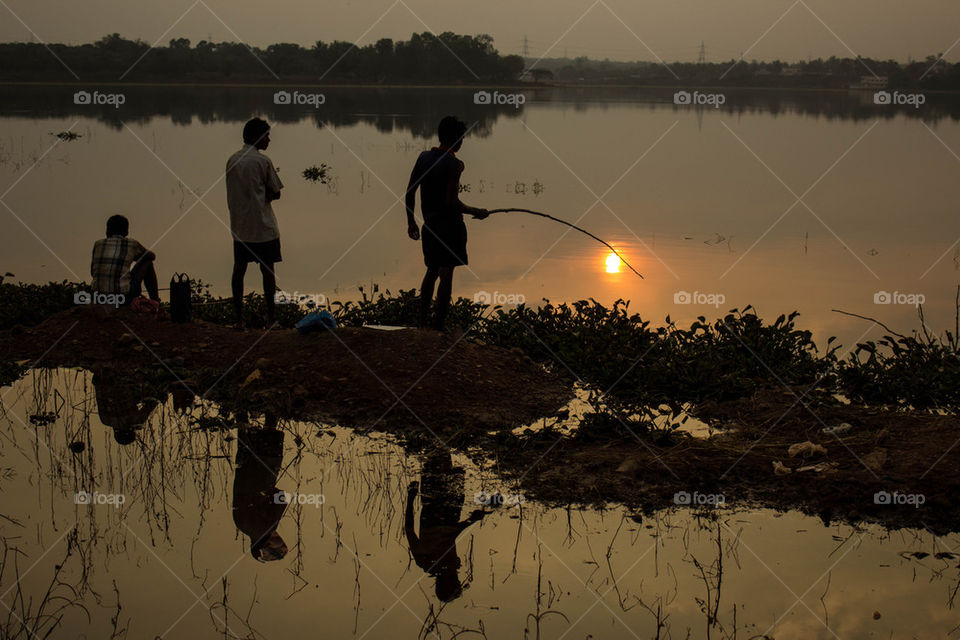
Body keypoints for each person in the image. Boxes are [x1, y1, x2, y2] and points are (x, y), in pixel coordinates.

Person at [405, 116, 488, 331]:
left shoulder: (423, 158)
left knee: (431, 271)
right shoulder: (454, 164)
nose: (462, 142)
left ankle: (423, 323)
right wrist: (475, 211)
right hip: (450, 228)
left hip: (429, 225)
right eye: (461, 138)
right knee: (446, 274)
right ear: (456, 139)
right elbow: (451, 202)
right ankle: (439, 325)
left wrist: (411, 222)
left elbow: (410, 192)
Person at [404, 448, 487, 602]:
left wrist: (471, 520)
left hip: (440, 511)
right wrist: (411, 497)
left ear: (448, 583)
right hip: (439, 509)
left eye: (456, 583)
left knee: (439, 461)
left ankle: (439, 442)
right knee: (439, 462)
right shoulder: (426, 562)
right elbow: (409, 528)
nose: (457, 579)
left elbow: (448, 534)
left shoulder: (437, 562)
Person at [226, 117, 284, 327]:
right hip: (263, 227)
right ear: (255, 137)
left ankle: (238, 320)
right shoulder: (263, 161)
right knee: (267, 271)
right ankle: (270, 319)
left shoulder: (233, 160)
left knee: (239, 269)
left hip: (240, 227)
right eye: (266, 136)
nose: (268, 140)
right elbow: (276, 193)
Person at [232, 415, 288, 562]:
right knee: (244, 424)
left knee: (271, 423)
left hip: (266, 466)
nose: (279, 539)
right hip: (244, 464)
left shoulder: (268, 527)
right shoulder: (241, 525)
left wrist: (270, 491)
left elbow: (281, 498)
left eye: (278, 543)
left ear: (267, 545)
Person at [90, 214, 160, 304]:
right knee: (148, 262)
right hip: (123, 297)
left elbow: (92, 272)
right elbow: (152, 256)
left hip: (98, 296)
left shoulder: (98, 244)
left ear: (107, 230)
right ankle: (155, 301)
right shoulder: (131, 243)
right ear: (126, 232)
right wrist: (134, 257)